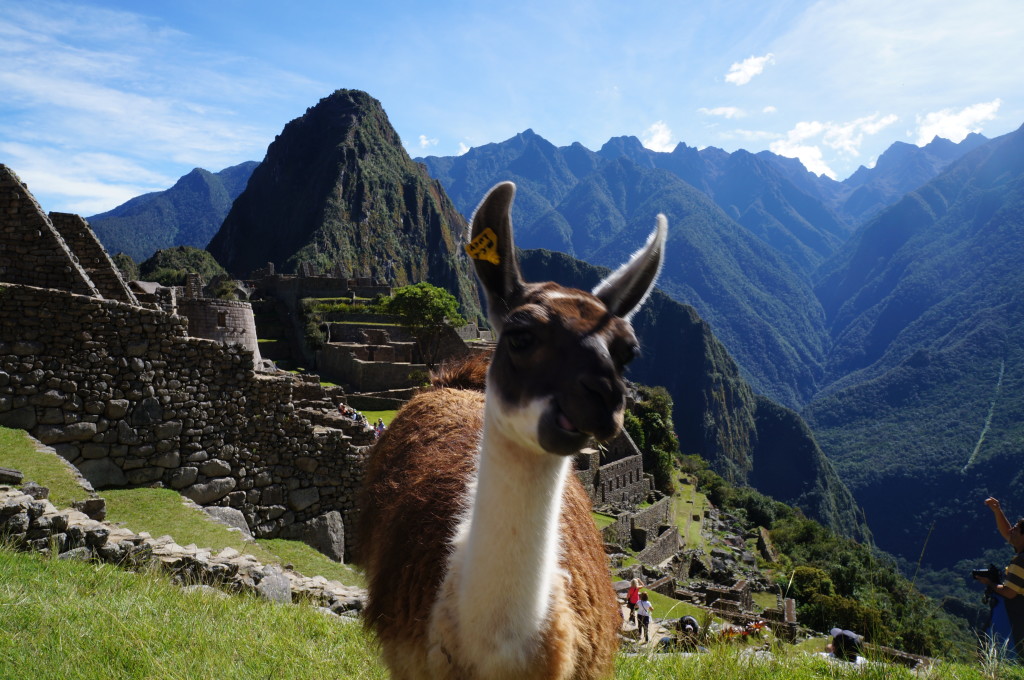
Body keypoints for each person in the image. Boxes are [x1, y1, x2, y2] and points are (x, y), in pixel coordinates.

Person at [974, 497, 1024, 658]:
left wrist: (991, 583)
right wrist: (997, 510)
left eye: (1016, 529)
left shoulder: (1021, 561)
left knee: (1003, 648)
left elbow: (1010, 593)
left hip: (1014, 614)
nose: (1011, 531)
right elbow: (1007, 534)